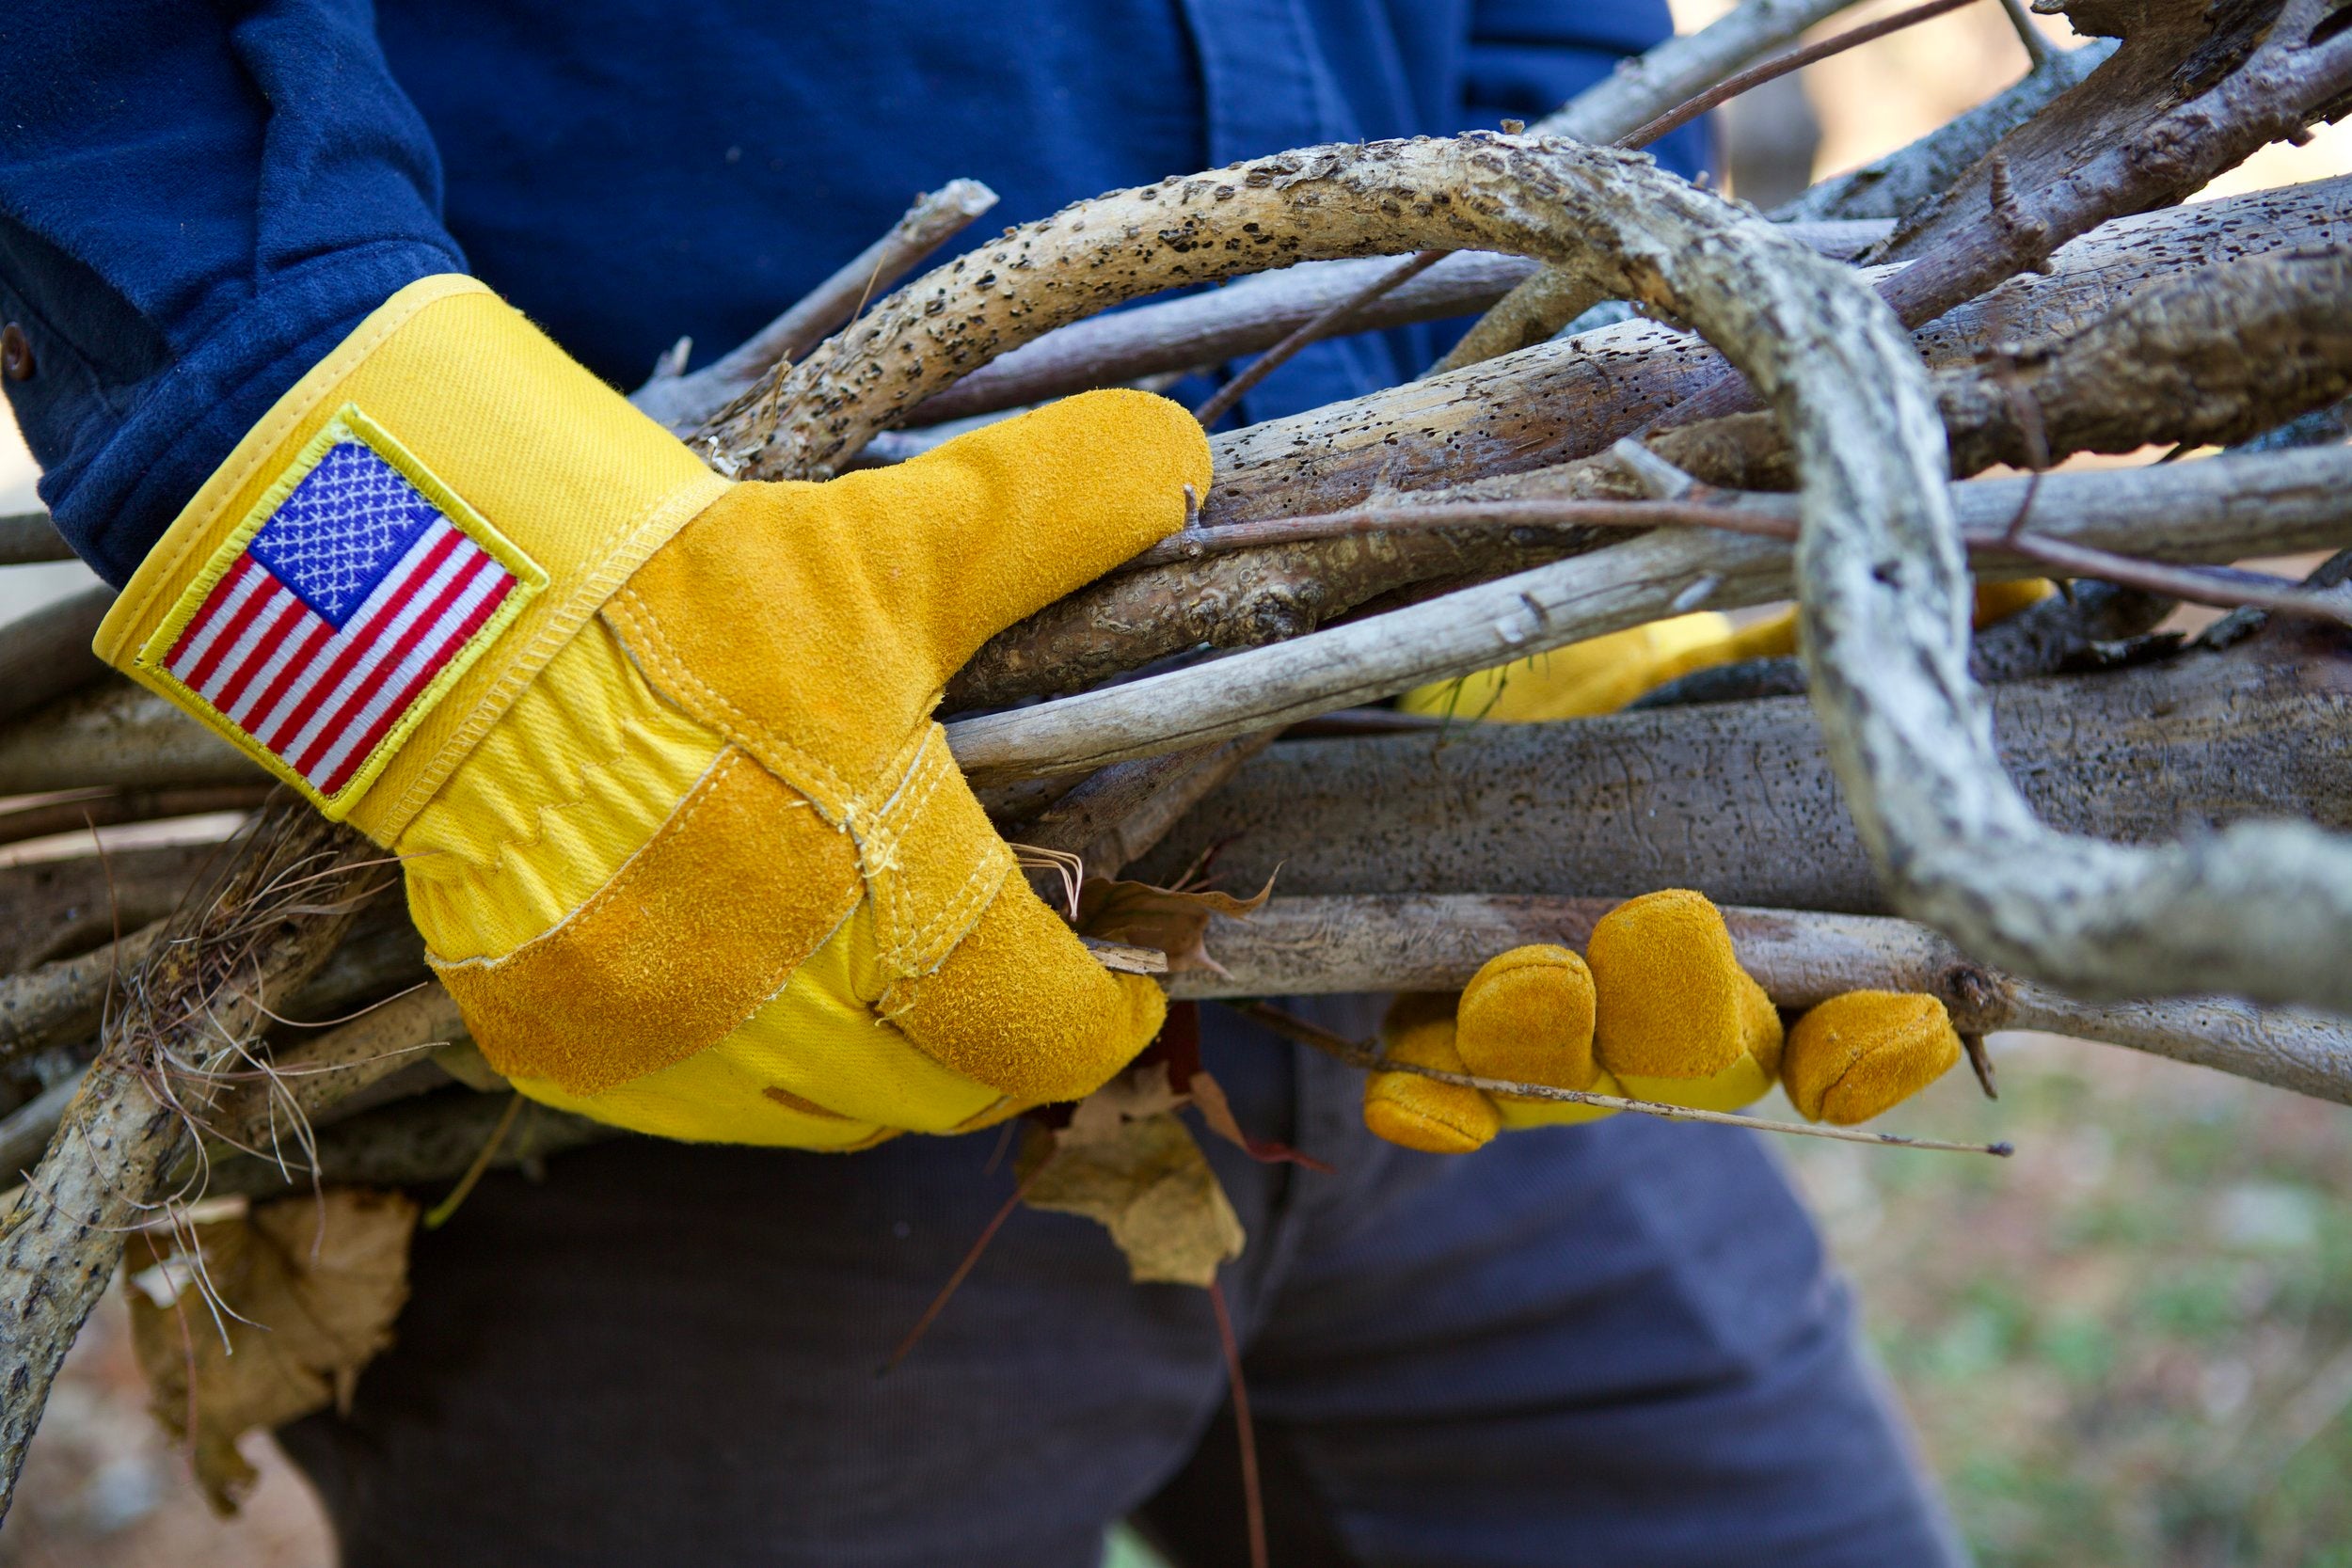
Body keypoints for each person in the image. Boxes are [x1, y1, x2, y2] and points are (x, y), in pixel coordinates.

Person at [3, 5, 1973, 1563]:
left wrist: (1557, 517)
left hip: (1452, 1019)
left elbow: (1553, 40)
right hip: (685, 1013)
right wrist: (448, 604)